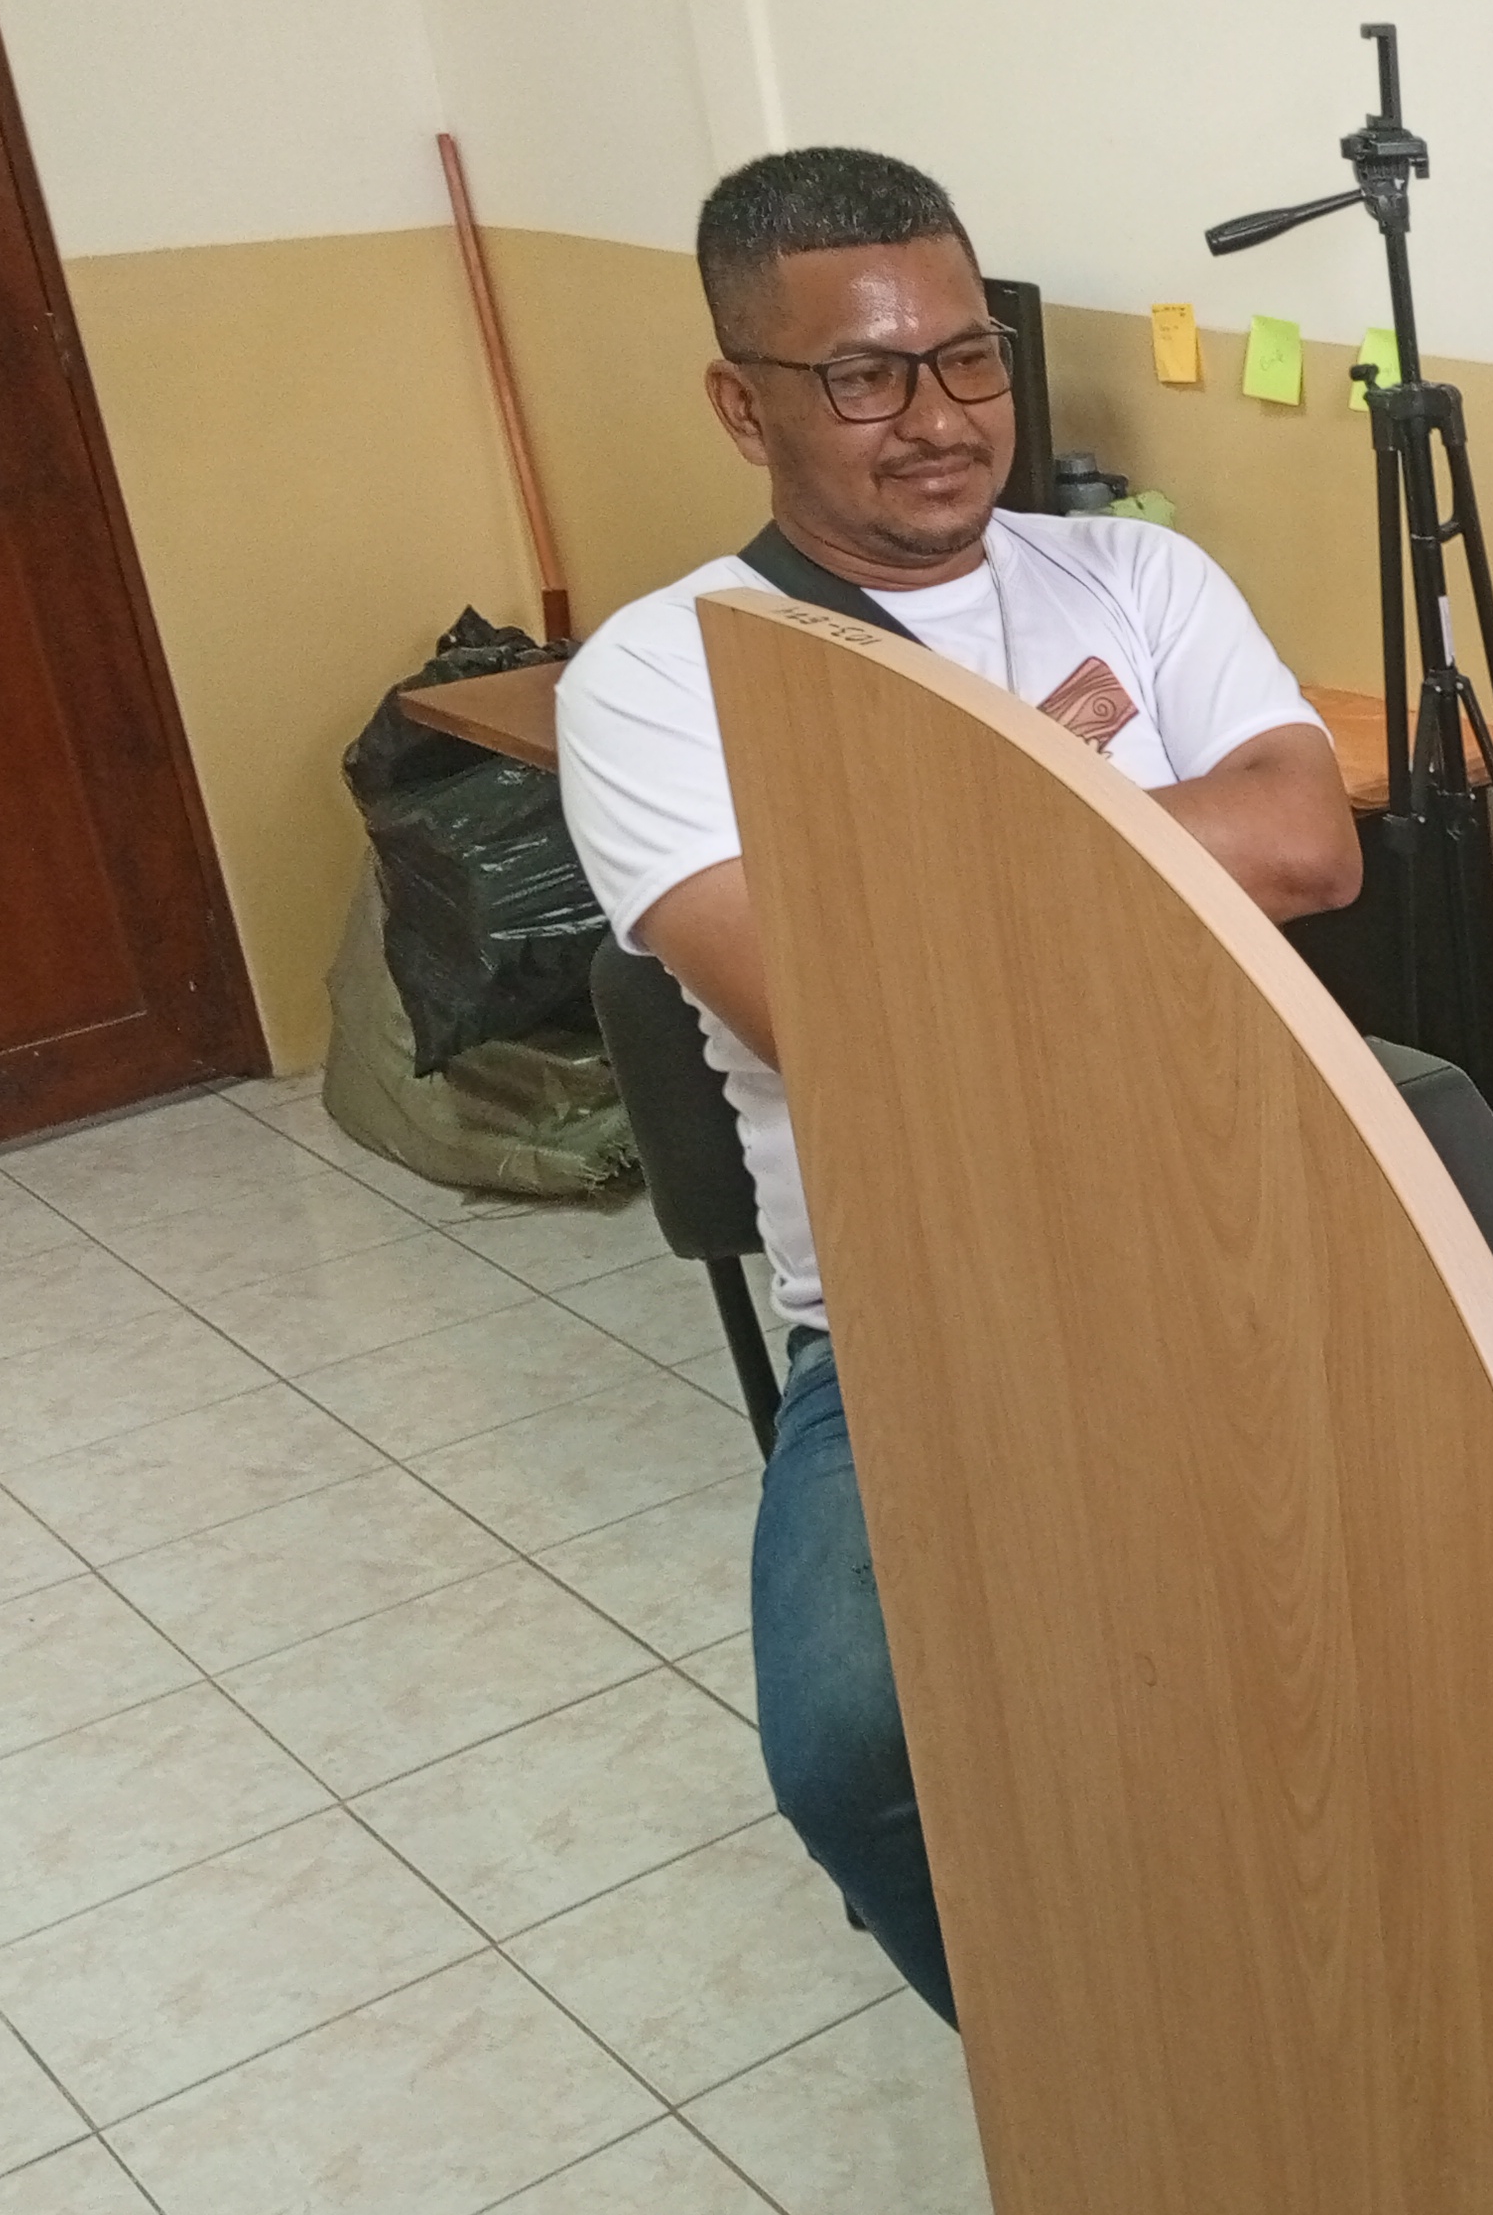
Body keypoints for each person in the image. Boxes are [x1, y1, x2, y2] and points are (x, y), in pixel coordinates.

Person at [555, 148, 1358, 2022]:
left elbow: (1308, 845)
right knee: (853, 1748)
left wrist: (954, 846)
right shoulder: (661, 679)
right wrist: (1086, 799)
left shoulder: (1137, 572)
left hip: (1245, 1233)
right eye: (863, 376)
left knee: (1453, 1607)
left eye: (968, 356)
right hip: (922, 1314)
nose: (937, 419)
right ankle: (1097, 2066)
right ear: (740, 403)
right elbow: (836, 1013)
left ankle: (1333, 1979)